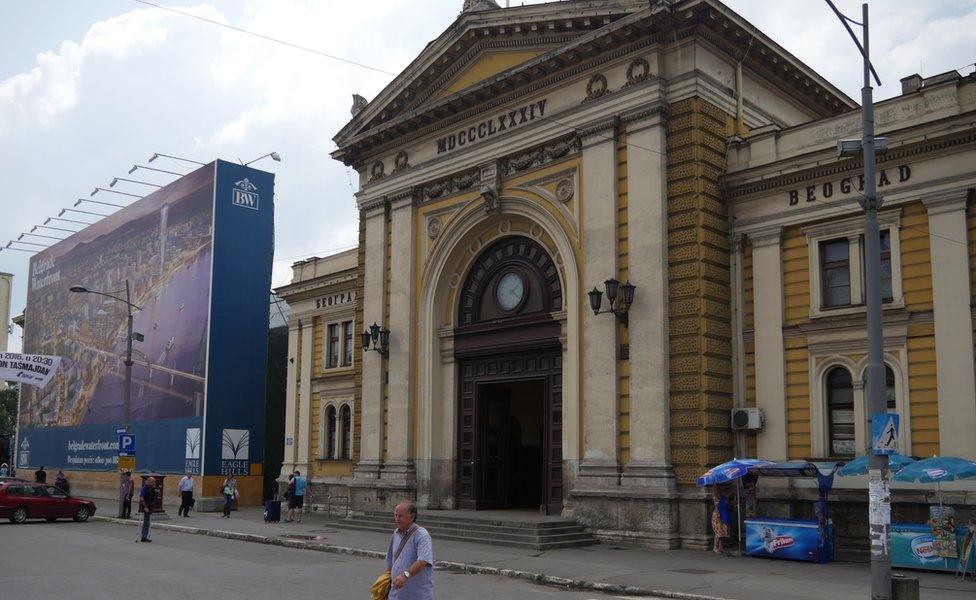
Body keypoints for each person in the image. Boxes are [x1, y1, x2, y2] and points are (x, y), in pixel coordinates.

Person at [386, 501, 434, 600]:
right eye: (396, 515)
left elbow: (423, 561)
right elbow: (391, 560)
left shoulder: (422, 535)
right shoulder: (396, 533)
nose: (397, 519)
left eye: (401, 516)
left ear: (412, 517)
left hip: (416, 595)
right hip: (396, 595)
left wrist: (405, 575)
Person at [712, 485, 731, 555]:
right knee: (718, 532)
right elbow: (714, 491)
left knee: (723, 531)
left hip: (724, 515)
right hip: (718, 516)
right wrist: (715, 485)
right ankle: (715, 547)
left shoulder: (723, 497)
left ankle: (721, 547)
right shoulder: (716, 497)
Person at [138, 476, 156, 542]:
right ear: (148, 481)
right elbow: (141, 498)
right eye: (152, 482)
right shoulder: (144, 488)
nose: (154, 483)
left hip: (150, 506)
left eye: (154, 482)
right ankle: (144, 537)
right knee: (146, 522)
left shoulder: (153, 488)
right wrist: (145, 507)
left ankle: (144, 536)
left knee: (147, 522)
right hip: (145, 506)